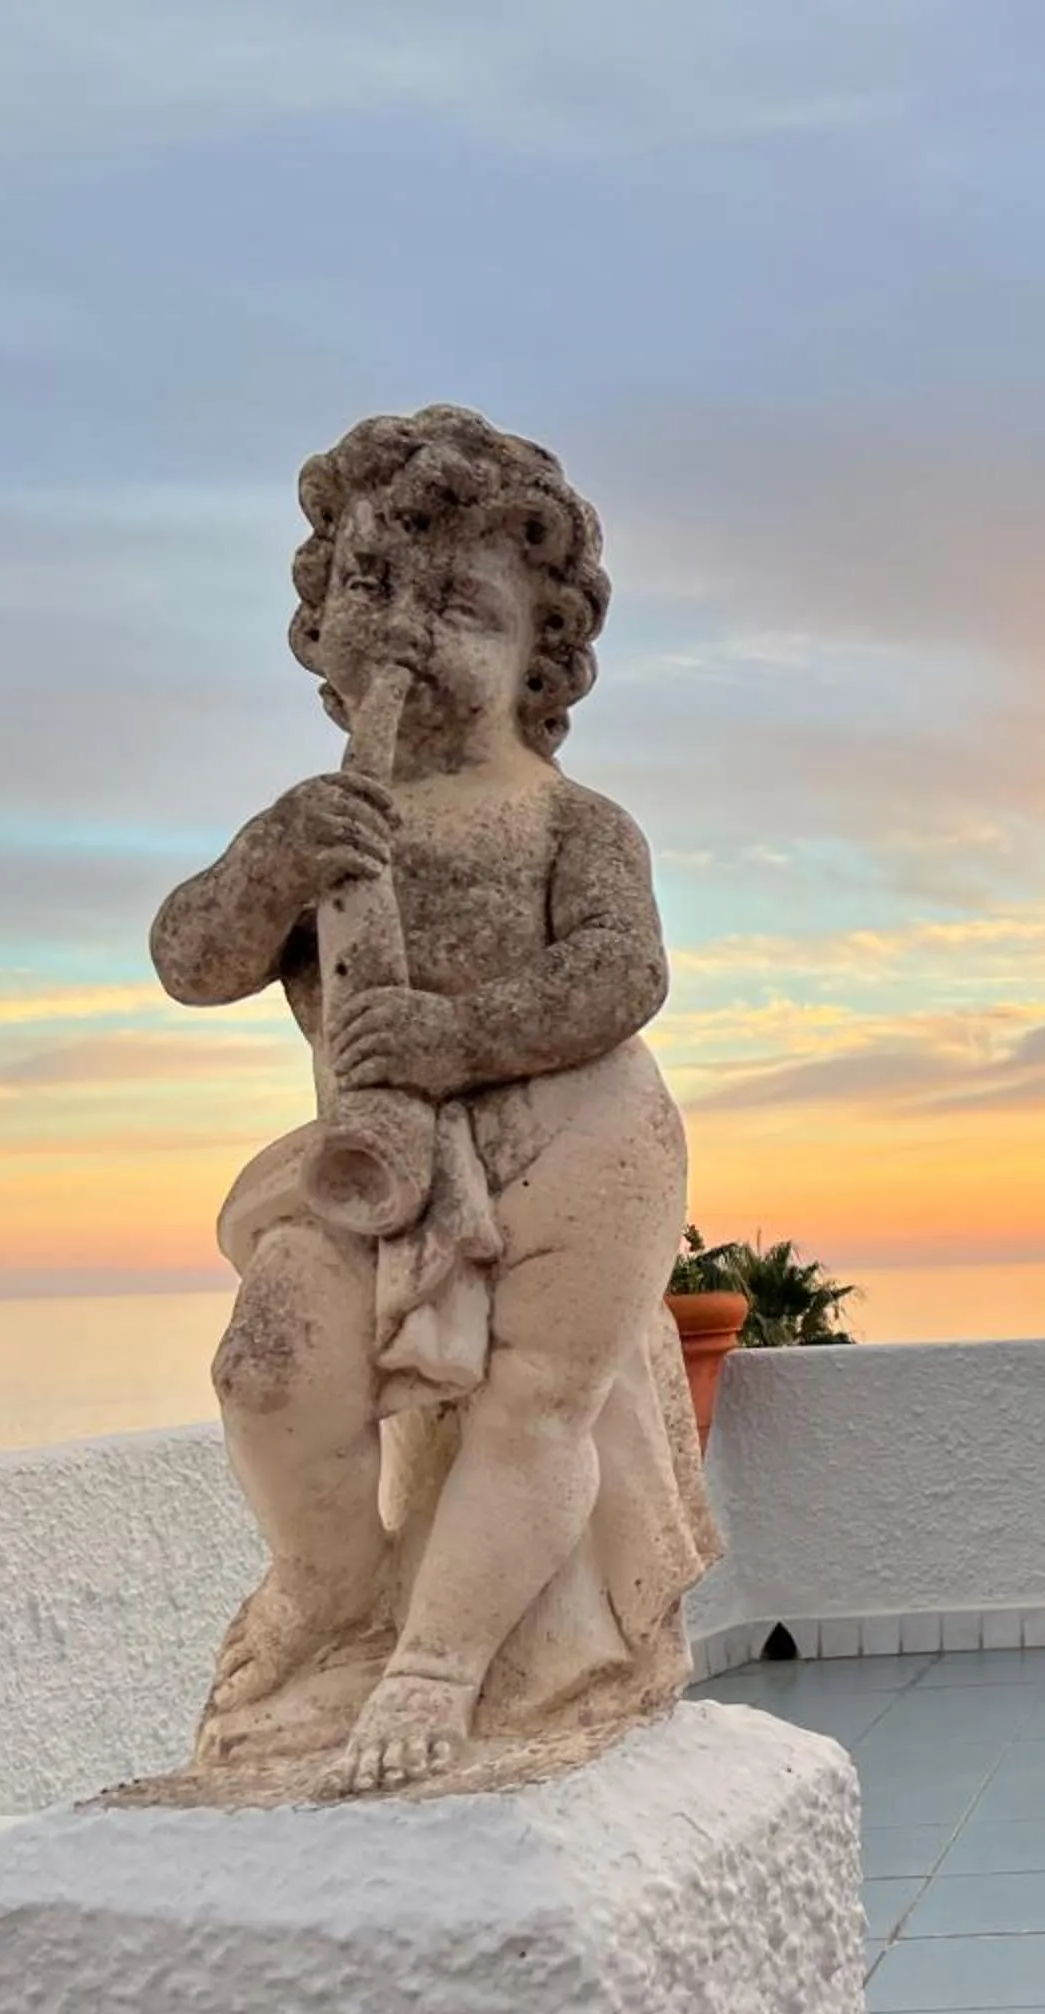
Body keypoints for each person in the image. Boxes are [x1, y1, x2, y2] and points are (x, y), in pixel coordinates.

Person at [150, 406, 718, 1796]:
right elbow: (188, 959)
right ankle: (330, 1595)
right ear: (320, 623)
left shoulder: (571, 821)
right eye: (371, 588)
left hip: (580, 1139)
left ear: (542, 656)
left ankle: (439, 1667)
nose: (405, 628)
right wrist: (267, 870)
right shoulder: (319, 821)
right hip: (380, 1158)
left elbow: (620, 973)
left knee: (532, 1406)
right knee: (272, 1365)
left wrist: (453, 1034)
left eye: (458, 602)